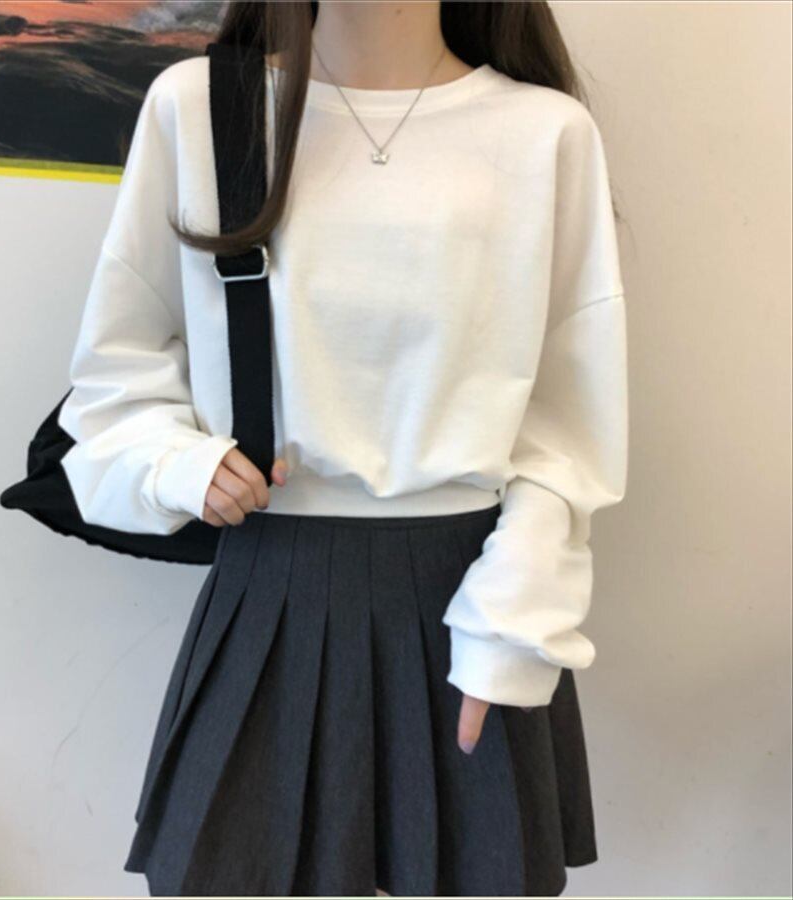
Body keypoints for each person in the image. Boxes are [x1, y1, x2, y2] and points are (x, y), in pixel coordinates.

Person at [56, 2, 628, 896]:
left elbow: (568, 428)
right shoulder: (202, 109)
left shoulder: (545, 134)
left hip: (471, 600)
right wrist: (179, 465)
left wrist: (515, 621)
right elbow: (113, 378)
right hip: (269, 591)